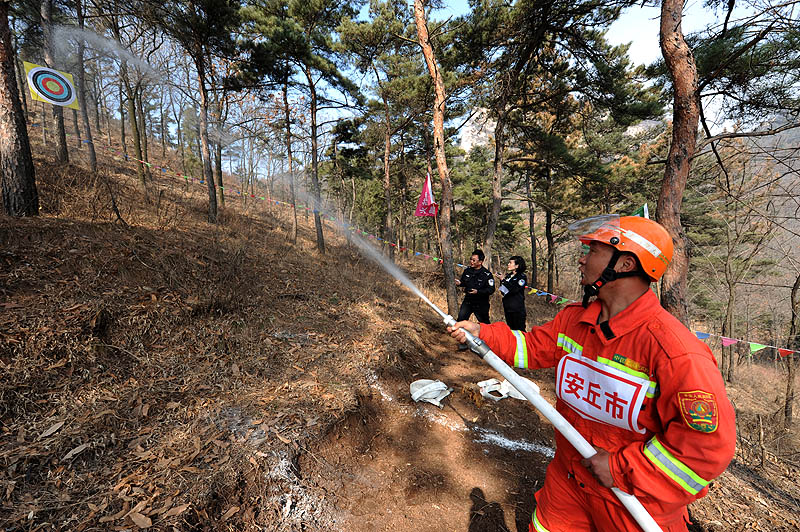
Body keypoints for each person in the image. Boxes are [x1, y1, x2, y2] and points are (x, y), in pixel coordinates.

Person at [448, 215, 736, 532]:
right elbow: (531, 347)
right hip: (568, 480)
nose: (583, 259)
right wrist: (483, 333)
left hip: (634, 500)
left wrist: (622, 469)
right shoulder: (575, 320)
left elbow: (705, 449)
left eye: (594, 251)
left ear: (625, 264)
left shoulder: (675, 351)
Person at [454, 249, 495, 350]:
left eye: (474, 260)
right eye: (471, 259)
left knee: (485, 324)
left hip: (481, 303)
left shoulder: (487, 274)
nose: (471, 262)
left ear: (480, 262)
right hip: (468, 301)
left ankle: (489, 344)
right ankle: (464, 342)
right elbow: (464, 282)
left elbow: (491, 289)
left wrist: (479, 292)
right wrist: (460, 283)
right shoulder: (467, 270)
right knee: (461, 320)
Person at [500, 255, 527, 330]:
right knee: (511, 330)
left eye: (510, 263)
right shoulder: (508, 276)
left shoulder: (522, 277)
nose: (508, 264)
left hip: (517, 308)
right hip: (508, 307)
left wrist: (503, 280)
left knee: (520, 330)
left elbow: (514, 289)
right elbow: (503, 290)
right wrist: (502, 280)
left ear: (517, 266)